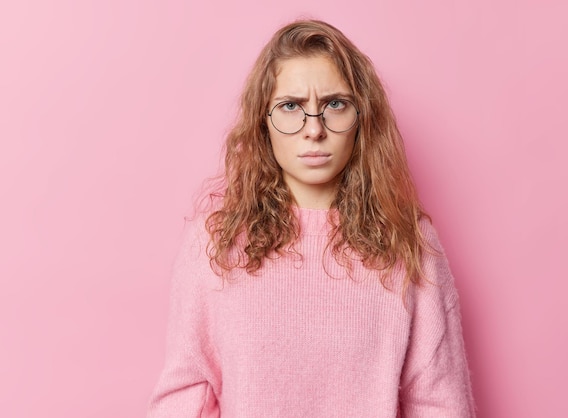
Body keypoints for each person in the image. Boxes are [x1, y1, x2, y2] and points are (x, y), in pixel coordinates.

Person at [147, 19, 475, 417]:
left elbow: (440, 402)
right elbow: (185, 398)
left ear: (362, 116)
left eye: (335, 103)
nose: (314, 129)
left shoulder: (410, 241)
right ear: (262, 122)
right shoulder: (214, 241)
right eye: (291, 106)